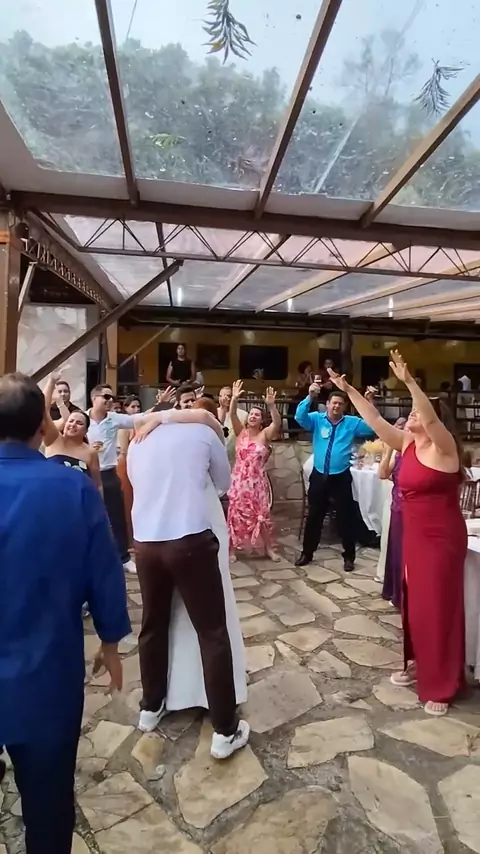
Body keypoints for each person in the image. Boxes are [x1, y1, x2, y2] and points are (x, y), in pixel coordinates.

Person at [0, 372, 130, 854]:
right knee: (49, 804)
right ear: (43, 424)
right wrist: (111, 640)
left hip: (41, 669)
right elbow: (105, 570)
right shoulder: (71, 490)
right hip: (47, 677)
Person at [327, 352, 467, 717]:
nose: (414, 415)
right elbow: (373, 419)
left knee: (438, 608)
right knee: (414, 605)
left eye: (419, 412)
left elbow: (430, 416)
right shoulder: (407, 443)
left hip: (442, 538)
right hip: (414, 536)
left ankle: (443, 682)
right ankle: (420, 663)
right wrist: (348, 389)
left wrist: (409, 381)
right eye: (414, 411)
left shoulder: (444, 448)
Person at [127, 404, 249, 760]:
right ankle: (224, 729)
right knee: (212, 633)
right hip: (190, 540)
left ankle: (151, 706)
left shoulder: (138, 441)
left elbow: (136, 483)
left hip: (147, 543)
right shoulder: (203, 432)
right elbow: (223, 483)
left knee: (152, 625)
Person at [295, 383, 376, 570]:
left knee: (346, 518)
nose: (336, 406)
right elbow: (300, 417)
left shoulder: (352, 423)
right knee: (314, 517)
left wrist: (369, 403)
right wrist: (309, 397)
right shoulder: (317, 419)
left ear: (344, 406)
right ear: (327, 404)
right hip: (319, 476)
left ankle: (349, 556)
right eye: (334, 403)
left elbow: (372, 425)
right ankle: (307, 553)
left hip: (340, 477)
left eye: (340, 403)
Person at [87, 385, 143, 573]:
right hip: (87, 472)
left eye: (112, 397)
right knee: (88, 516)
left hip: (109, 472)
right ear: (94, 398)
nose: (110, 400)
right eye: (106, 396)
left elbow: (138, 419)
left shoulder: (114, 418)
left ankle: (124, 557)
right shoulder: (82, 418)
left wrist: (161, 406)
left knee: (116, 515)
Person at [227, 380, 281, 561]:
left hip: (257, 483)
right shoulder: (240, 431)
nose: (253, 416)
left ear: (261, 420)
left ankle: (269, 549)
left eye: (257, 415)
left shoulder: (265, 435)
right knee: (236, 514)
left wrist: (271, 406)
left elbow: (277, 423)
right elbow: (232, 413)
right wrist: (234, 398)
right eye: (251, 414)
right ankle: (232, 550)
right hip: (239, 482)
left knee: (261, 515)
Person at [41, 374, 102, 491]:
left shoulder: (90, 452)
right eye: (71, 421)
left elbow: (97, 484)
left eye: (79, 423)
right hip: (51, 494)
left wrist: (100, 501)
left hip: (78, 498)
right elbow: (43, 411)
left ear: (86, 431)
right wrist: (51, 381)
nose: (73, 424)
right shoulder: (54, 439)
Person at [378, 417, 406, 608]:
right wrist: (388, 449)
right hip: (396, 506)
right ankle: (393, 591)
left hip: (409, 508)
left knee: (403, 552)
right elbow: (382, 474)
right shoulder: (398, 453)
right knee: (394, 549)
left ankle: (403, 594)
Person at [217, 385, 248, 466]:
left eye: (229, 396)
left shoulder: (243, 415)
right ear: (219, 397)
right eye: (225, 396)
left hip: (235, 458)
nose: (227, 399)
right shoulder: (213, 413)